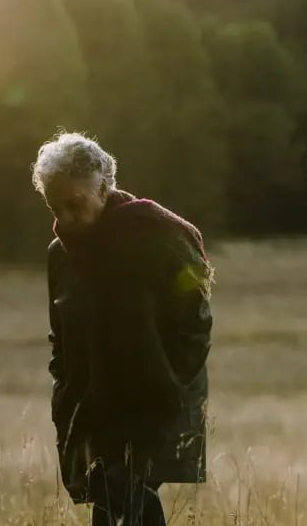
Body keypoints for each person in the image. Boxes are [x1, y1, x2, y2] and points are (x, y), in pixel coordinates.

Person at [31, 131, 214, 526]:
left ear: (102, 186)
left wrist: (172, 379)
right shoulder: (61, 257)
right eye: (55, 207)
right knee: (123, 502)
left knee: (120, 500)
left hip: (152, 400)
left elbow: (194, 311)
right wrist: (64, 386)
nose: (65, 218)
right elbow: (59, 335)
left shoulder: (155, 236)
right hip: (94, 406)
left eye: (75, 204)